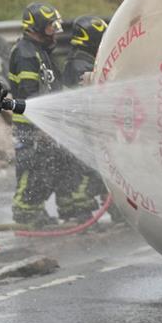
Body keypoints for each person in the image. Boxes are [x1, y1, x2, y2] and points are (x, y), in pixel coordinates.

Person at [8, 2, 94, 227]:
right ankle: (26, 213)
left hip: (45, 124)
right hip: (32, 126)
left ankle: (65, 208)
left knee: (55, 165)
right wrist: (40, 126)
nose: (56, 31)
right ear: (34, 28)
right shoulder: (26, 54)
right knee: (34, 168)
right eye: (50, 27)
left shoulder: (40, 51)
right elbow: (30, 94)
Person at [61, 16, 110, 217]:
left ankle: (84, 207)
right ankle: (80, 209)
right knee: (88, 170)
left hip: (82, 125)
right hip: (81, 127)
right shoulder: (80, 66)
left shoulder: (80, 60)